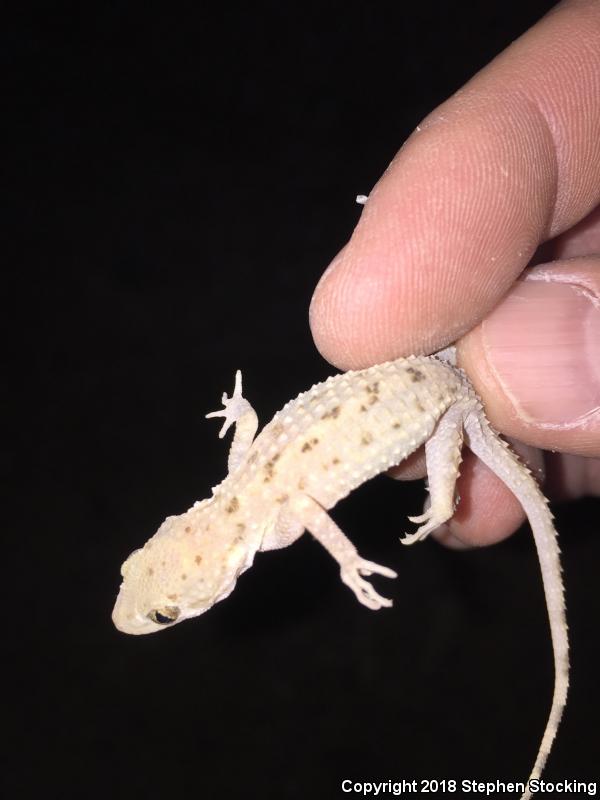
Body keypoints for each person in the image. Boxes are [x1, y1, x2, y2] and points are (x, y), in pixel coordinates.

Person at [309, 0, 600, 549]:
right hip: (440, 387)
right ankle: (444, 500)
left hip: (436, 375)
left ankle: (444, 500)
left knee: (422, 286)